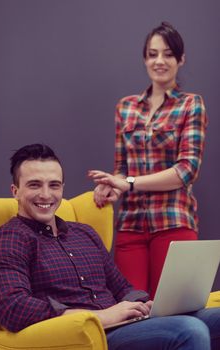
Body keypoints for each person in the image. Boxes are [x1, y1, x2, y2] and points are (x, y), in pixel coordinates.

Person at [0, 143, 220, 350]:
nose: (46, 195)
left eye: (54, 185)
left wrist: (144, 304)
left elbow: (121, 287)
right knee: (189, 330)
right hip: (93, 335)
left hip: (125, 324)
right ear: (15, 191)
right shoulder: (10, 239)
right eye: (34, 185)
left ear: (62, 188)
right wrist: (99, 316)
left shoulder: (84, 233)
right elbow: (12, 308)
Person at [89, 21, 208, 299]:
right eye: (153, 54)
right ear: (145, 59)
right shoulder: (126, 107)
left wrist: (127, 183)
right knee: (132, 312)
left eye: (168, 54)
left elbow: (185, 171)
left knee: (173, 312)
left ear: (181, 59)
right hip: (131, 225)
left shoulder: (191, 104)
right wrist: (110, 185)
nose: (160, 61)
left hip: (173, 222)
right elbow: (122, 168)